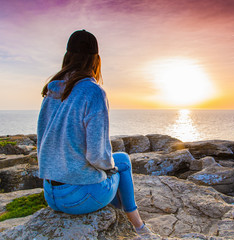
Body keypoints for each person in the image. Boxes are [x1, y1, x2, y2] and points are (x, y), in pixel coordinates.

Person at [37, 30, 154, 237]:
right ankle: (139, 227)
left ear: (67, 57)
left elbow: (42, 144)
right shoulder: (93, 92)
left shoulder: (52, 91)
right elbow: (96, 155)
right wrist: (110, 169)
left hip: (51, 194)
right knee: (122, 162)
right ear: (96, 60)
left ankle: (124, 218)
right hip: (78, 197)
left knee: (116, 163)